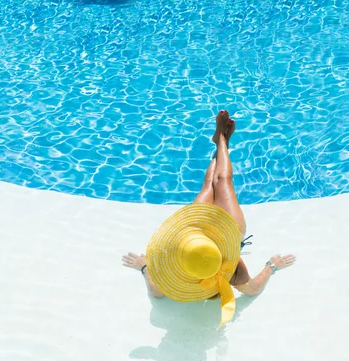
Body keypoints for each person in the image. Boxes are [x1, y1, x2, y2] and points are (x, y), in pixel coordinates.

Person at [122, 110, 296, 325]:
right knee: (222, 181)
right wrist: (271, 266)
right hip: (228, 228)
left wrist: (144, 266)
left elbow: (155, 292)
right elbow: (252, 290)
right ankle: (223, 141)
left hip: (194, 230)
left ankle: (220, 140)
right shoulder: (230, 268)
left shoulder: (166, 282)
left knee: (209, 185)